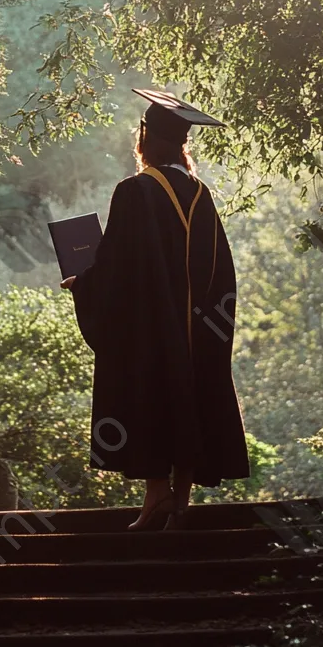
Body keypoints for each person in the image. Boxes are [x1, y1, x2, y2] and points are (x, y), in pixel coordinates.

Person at [61, 89, 250, 530]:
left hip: (151, 332)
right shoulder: (202, 196)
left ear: (145, 139)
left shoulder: (135, 191)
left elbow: (116, 266)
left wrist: (83, 284)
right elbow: (222, 270)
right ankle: (179, 502)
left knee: (147, 392)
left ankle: (156, 495)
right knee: (191, 394)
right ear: (182, 143)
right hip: (201, 330)